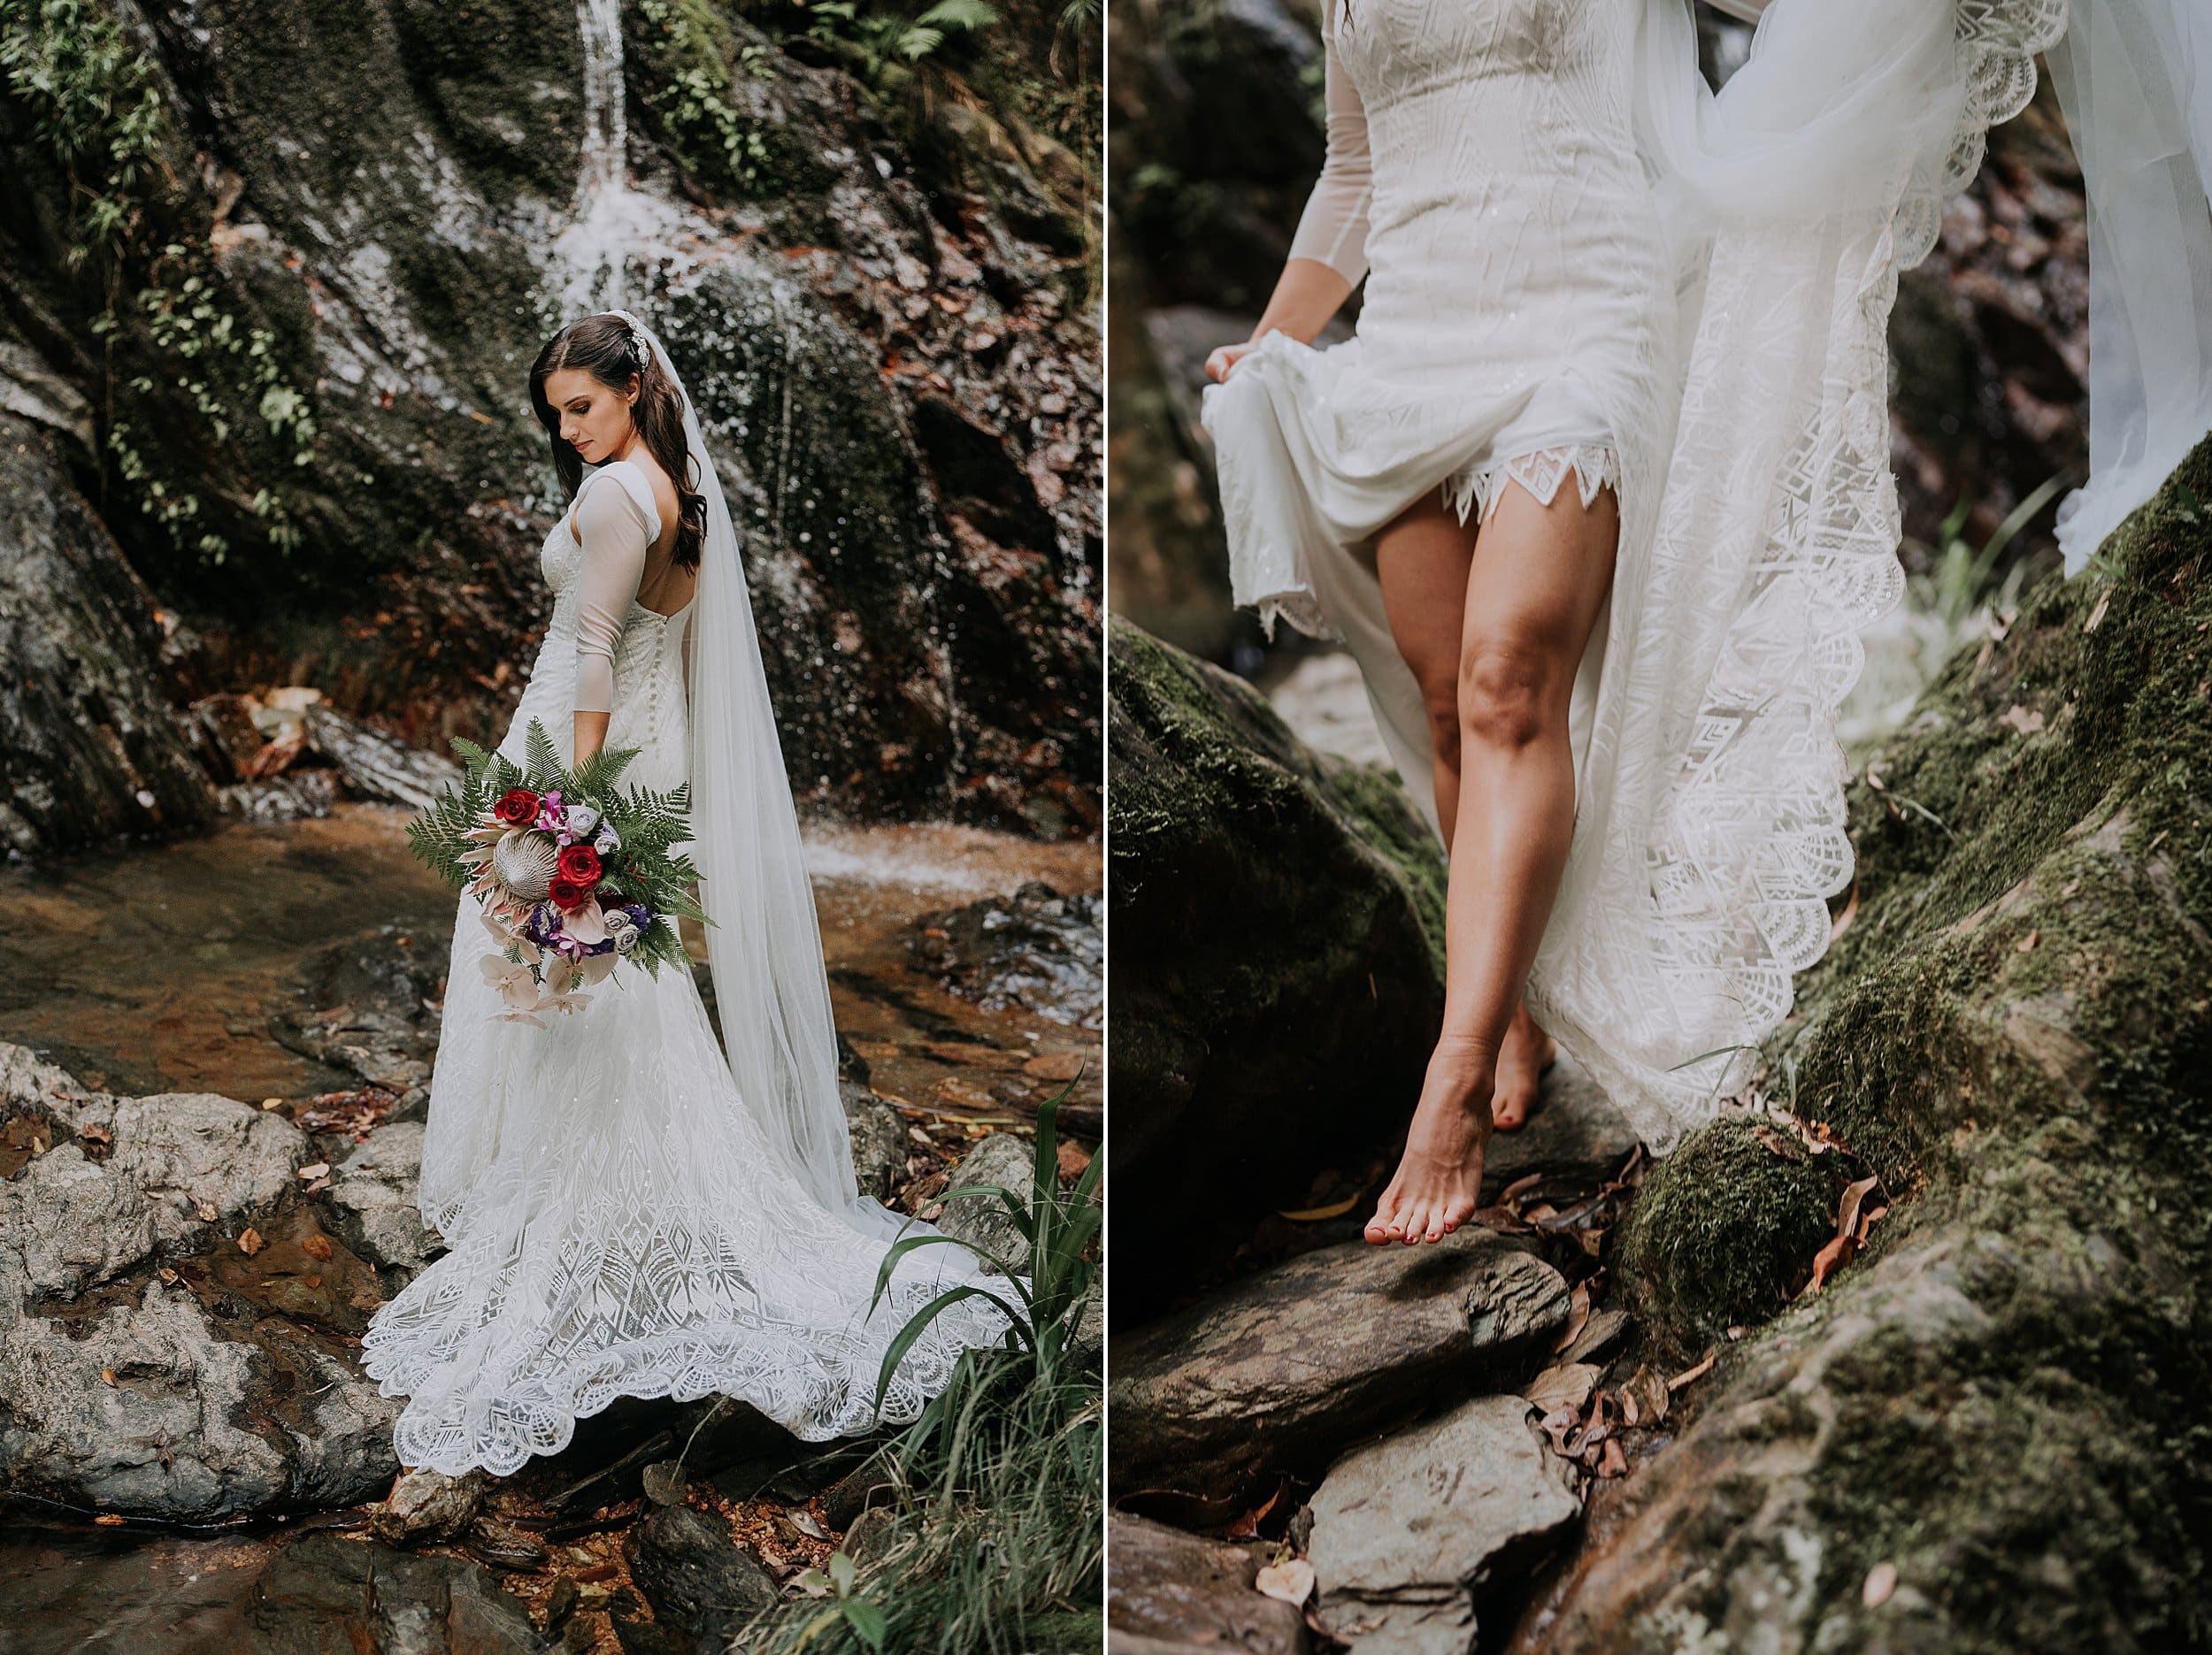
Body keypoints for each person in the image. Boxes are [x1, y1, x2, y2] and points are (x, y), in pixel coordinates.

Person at [1198, 0, 2212, 1248]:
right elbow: (1354, 169)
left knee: (1510, 679)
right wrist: (1269, 342)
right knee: (1449, 705)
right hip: (1412, 341)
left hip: (1585, 321)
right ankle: (1506, 1007)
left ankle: (1450, 1082)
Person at [359, 310, 1015, 1478]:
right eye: (555, 412)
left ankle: (583, 1223)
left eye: (581, 407)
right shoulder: (679, 494)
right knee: (606, 977)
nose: (567, 431)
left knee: (560, 958)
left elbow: (598, 644)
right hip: (639, 746)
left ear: (634, 386)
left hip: (589, 746)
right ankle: (591, 1202)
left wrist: (574, 798)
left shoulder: (617, 496)